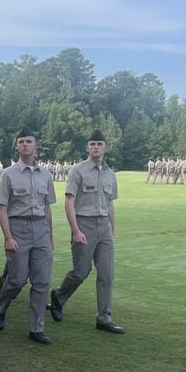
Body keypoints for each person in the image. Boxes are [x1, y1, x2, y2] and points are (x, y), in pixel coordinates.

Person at [49, 129, 124, 334]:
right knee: (81, 272)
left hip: (104, 227)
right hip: (84, 224)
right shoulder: (78, 171)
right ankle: (59, 296)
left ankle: (104, 318)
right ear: (87, 148)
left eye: (99, 144)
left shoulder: (110, 174)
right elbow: (69, 201)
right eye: (92, 144)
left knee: (107, 273)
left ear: (106, 148)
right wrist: (75, 230)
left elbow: (110, 204)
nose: (96, 147)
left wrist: (112, 229)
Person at [0, 126, 56, 345]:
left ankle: (36, 328)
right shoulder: (8, 174)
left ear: (36, 147)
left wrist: (50, 237)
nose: (24, 145)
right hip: (17, 228)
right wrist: (8, 237)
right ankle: (0, 305)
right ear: (17, 146)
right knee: (18, 278)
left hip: (40, 229)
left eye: (28, 141)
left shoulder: (46, 175)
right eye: (21, 142)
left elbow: (47, 208)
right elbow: (2, 209)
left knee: (42, 282)